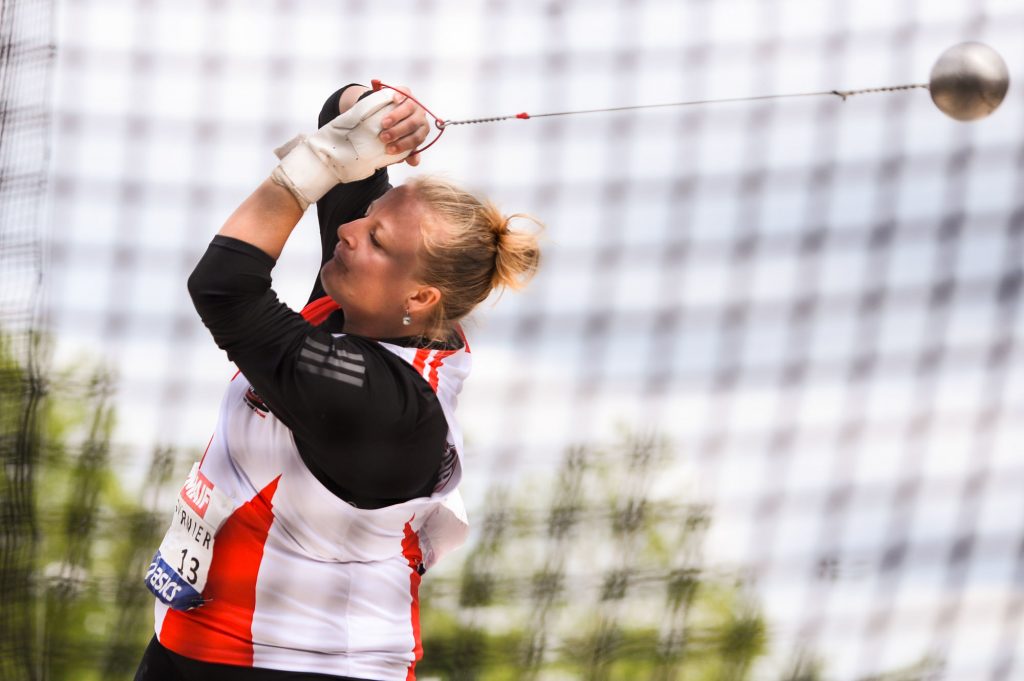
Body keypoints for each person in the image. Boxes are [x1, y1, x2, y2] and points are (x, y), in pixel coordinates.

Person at [134, 82, 541, 681]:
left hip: (310, 667)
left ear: (420, 297)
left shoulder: (381, 400)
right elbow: (341, 117)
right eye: (369, 216)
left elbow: (223, 288)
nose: (350, 229)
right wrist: (384, 113)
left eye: (377, 238)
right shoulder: (363, 304)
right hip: (192, 646)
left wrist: (305, 171)